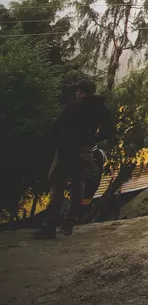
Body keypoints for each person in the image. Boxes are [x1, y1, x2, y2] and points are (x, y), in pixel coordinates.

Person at [33, 77, 115, 238]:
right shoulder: (101, 108)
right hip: (85, 150)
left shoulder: (73, 106)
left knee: (57, 184)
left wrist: (51, 144)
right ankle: (69, 223)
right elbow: (109, 130)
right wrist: (93, 139)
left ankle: (50, 226)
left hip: (65, 150)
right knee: (79, 184)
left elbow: (55, 128)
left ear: (80, 92)